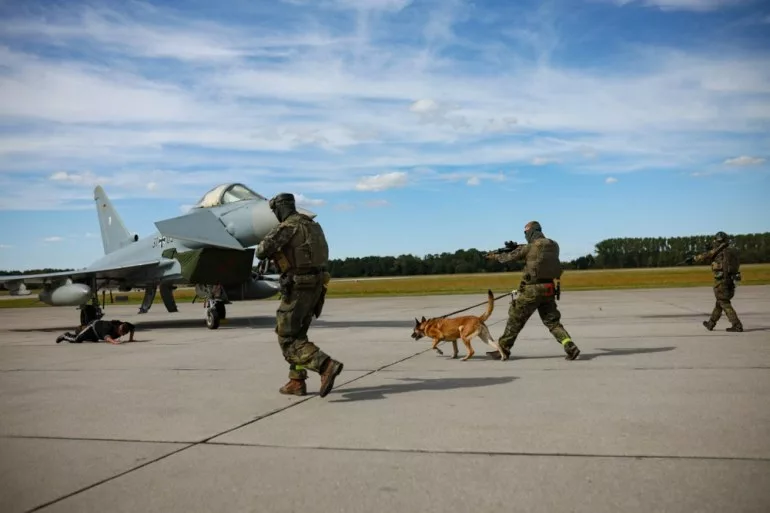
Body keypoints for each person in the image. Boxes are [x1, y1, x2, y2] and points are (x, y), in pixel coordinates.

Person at [256, 192, 344, 397]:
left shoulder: (287, 227)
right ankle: (296, 382)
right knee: (299, 335)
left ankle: (325, 365)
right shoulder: (313, 225)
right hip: (316, 287)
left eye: (275, 210)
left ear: (280, 208)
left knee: (287, 337)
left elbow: (261, 251)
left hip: (298, 288)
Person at [485, 221, 580, 361]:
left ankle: (503, 349)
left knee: (515, 319)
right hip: (548, 288)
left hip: (532, 290)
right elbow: (539, 255)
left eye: (526, 232)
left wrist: (493, 256)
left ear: (530, 231)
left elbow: (507, 258)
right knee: (553, 322)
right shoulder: (554, 245)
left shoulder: (530, 247)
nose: (525, 235)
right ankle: (570, 346)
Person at [685, 231, 743, 332]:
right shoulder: (733, 251)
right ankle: (711, 323)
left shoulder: (717, 251)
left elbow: (704, 256)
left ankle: (737, 325)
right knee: (719, 303)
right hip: (731, 280)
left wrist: (693, 259)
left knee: (724, 302)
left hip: (721, 281)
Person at [56, 319, 135, 344]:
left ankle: (85, 336)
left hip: (97, 335)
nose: (122, 335)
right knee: (77, 339)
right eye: (122, 333)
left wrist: (131, 339)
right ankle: (65, 335)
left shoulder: (126, 325)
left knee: (94, 340)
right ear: (119, 329)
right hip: (92, 327)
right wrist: (114, 342)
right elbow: (107, 337)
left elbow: (133, 328)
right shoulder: (109, 327)